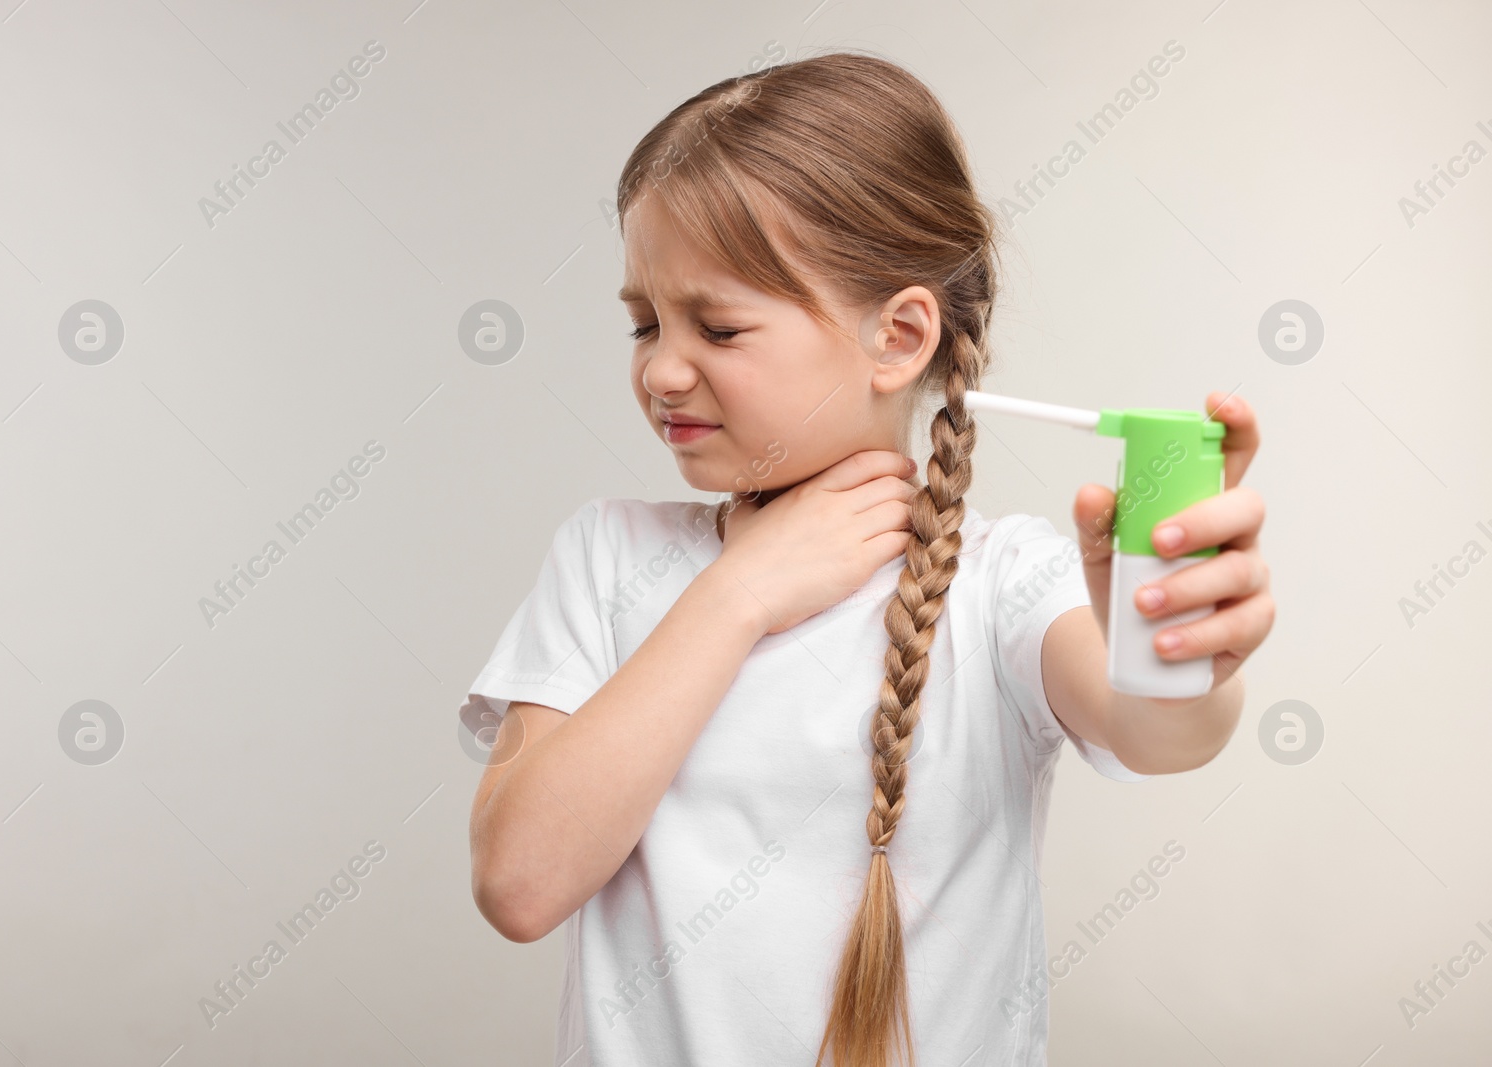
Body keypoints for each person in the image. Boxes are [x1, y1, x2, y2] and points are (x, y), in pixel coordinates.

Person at [459, 49, 1273, 1067]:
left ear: (896, 335)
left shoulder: (1001, 583)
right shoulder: (606, 556)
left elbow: (1158, 731)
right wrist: (741, 593)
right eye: (643, 322)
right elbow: (521, 882)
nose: (663, 367)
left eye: (716, 324)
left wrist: (1176, 641)